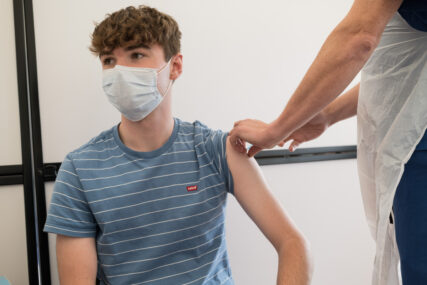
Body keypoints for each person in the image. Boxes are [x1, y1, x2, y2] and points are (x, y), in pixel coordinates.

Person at [43, 6, 312, 285]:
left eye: (136, 55)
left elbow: (293, 244)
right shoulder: (80, 170)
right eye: (109, 60)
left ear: (175, 66)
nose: (120, 71)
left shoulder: (216, 150)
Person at [229, 0, 426, 284]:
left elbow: (358, 38)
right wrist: (327, 115)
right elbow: (401, 69)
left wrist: (275, 130)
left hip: (417, 145)